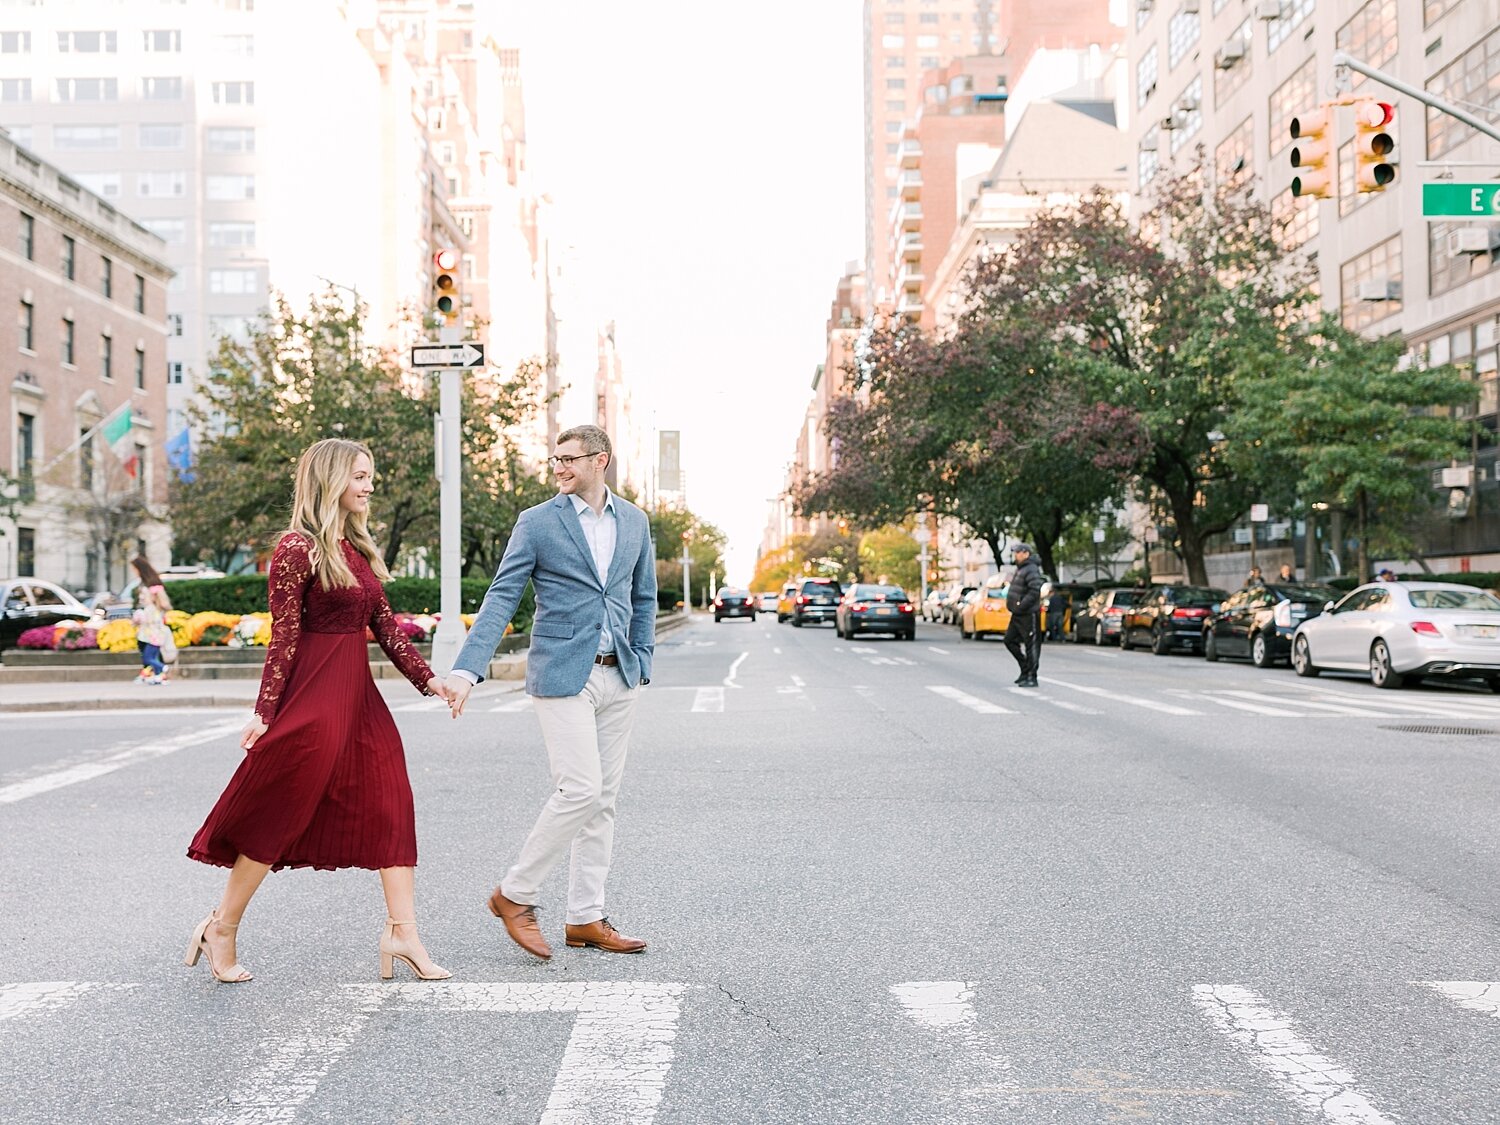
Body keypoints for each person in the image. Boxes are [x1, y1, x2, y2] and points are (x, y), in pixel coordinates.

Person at [184, 438, 452, 984]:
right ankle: (223, 926)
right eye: (360, 475)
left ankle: (403, 932)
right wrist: (265, 711)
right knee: (279, 809)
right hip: (313, 695)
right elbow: (283, 636)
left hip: (359, 700)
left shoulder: (355, 550)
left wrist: (432, 682)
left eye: (370, 475)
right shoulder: (296, 548)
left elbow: (385, 628)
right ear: (331, 479)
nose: (369, 485)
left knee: (392, 803)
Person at [444, 424, 656, 961]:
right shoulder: (538, 522)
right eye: (554, 459)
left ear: (599, 460)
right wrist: (468, 671)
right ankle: (515, 893)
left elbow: (644, 596)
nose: (558, 468)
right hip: (564, 674)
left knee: (603, 802)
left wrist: (643, 659)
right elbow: (503, 596)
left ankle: (586, 917)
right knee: (580, 790)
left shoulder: (634, 521)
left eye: (568, 459)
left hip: (621, 675)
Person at [1004, 545, 1043, 688]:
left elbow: (1034, 590)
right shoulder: (1021, 568)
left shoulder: (1031, 569)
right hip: (1017, 614)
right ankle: (1025, 668)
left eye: (1018, 552)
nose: (1016, 555)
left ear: (1026, 553)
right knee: (1009, 640)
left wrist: (1021, 605)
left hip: (1028, 613)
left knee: (1031, 644)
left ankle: (1032, 676)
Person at [132, 583, 171, 685]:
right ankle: (159, 677)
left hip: (151, 639)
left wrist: (138, 617)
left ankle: (162, 667)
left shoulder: (150, 609)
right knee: (154, 657)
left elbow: (145, 621)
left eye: (145, 595)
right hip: (158, 638)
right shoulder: (158, 609)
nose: (142, 598)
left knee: (148, 658)